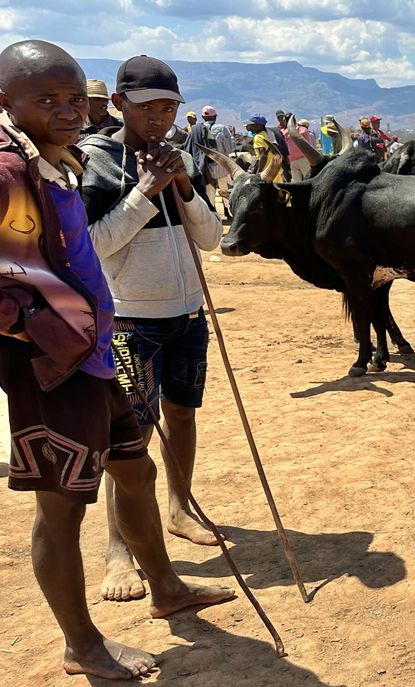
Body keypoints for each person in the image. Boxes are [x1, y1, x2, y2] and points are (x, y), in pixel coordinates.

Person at [0, 39, 234, 681]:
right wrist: (47, 331)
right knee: (61, 504)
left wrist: (180, 188)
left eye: (76, 97)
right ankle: (82, 644)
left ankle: (165, 587)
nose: (68, 110)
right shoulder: (10, 173)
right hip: (55, 362)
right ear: (6, 102)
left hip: (96, 350)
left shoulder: (55, 161)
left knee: (135, 469)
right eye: (46, 99)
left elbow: (210, 236)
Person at [78, 53, 229, 602]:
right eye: (148, 108)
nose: (160, 117)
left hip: (187, 314)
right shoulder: (96, 163)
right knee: (131, 441)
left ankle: (180, 508)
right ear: (119, 104)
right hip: (129, 320)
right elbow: (90, 248)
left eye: (169, 107)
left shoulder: (179, 156)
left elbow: (210, 239)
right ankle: (119, 550)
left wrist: (183, 187)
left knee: (183, 416)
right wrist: (144, 192)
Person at [183, 105, 235, 221]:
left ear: (202, 117)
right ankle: (231, 215)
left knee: (210, 194)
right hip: (222, 167)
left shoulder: (195, 130)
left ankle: (213, 218)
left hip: (205, 168)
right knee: (227, 191)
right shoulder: (222, 128)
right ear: (215, 117)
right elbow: (230, 148)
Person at [243, 114, 284, 181]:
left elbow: (263, 156)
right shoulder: (267, 134)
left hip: (266, 172)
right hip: (275, 169)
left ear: (259, 125)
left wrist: (259, 173)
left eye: (251, 125)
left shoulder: (258, 137)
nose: (249, 127)